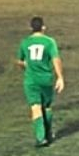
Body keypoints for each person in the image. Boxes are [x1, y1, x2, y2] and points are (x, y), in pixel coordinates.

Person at [16, 16, 65, 147]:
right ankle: (48, 134)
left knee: (35, 107)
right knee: (47, 106)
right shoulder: (49, 42)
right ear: (43, 27)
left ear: (30, 28)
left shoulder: (25, 42)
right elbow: (56, 59)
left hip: (31, 80)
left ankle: (40, 137)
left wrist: (26, 67)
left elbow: (20, 61)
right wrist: (60, 77)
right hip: (46, 79)